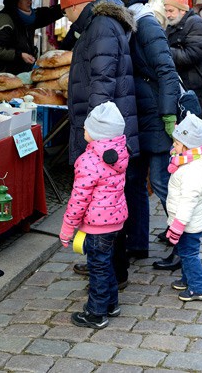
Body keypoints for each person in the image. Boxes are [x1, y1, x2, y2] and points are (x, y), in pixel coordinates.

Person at [96, 0, 180, 271]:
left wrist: (168, 114)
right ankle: (137, 243)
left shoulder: (145, 25)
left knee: (161, 183)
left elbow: (166, 70)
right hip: (138, 116)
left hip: (155, 115)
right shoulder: (130, 25)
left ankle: (184, 247)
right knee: (134, 181)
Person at [59, 101, 129, 330]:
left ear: (99, 134)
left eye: (88, 128)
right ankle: (111, 304)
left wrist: (68, 228)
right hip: (115, 221)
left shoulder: (89, 161)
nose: (83, 130)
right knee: (105, 263)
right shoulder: (119, 154)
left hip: (97, 225)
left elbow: (79, 199)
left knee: (98, 268)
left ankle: (96, 313)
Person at [60, 0, 139, 166]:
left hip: (101, 131)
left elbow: (102, 79)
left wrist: (95, 131)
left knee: (104, 189)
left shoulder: (100, 26)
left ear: (73, 6)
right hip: (103, 125)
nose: (68, 18)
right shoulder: (98, 24)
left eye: (65, 12)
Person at [165, 113, 202, 301]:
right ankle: (187, 279)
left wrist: (177, 226)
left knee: (189, 254)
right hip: (188, 222)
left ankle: (199, 288)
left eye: (176, 144)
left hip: (188, 224)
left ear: (187, 146)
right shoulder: (190, 160)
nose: (172, 147)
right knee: (185, 253)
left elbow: (187, 201)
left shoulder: (193, 171)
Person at [0, 0, 63, 76]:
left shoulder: (29, 17)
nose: (29, 2)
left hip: (21, 73)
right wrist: (19, 55)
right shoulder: (4, 19)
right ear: (15, 0)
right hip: (1, 74)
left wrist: (63, 9)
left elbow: (46, 14)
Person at [165, 0, 202, 115]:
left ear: (183, 10)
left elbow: (191, 55)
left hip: (192, 82)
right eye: (166, 10)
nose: (167, 14)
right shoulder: (173, 24)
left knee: (193, 123)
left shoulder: (196, 24)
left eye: (171, 11)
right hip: (179, 82)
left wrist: (165, 51)